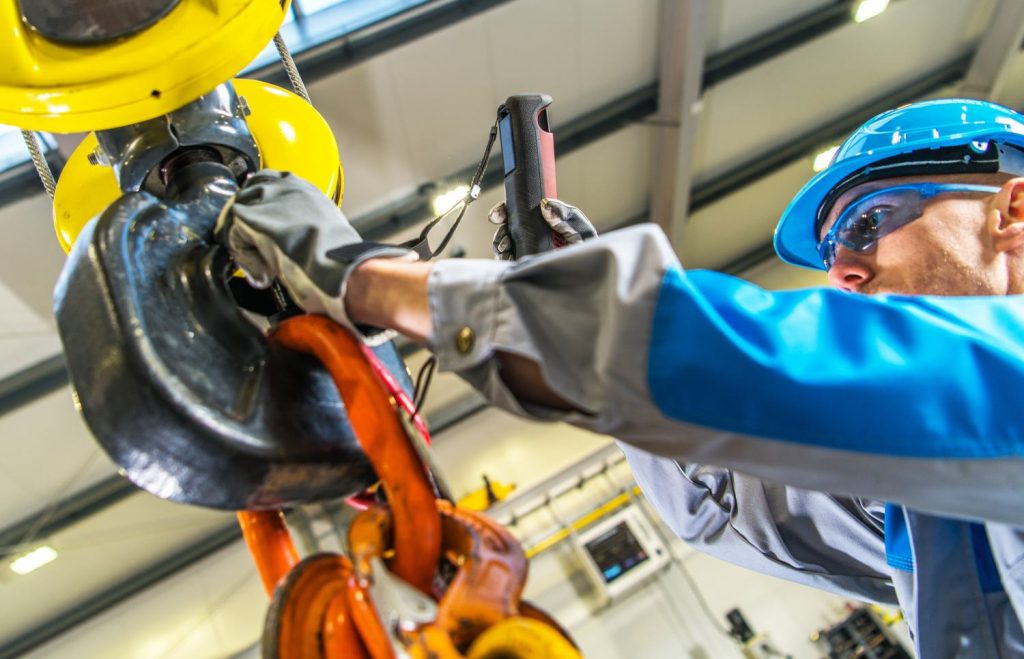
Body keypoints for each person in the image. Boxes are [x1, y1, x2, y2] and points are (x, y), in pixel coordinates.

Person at [217, 98, 1024, 657]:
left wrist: (368, 278)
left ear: (1012, 210)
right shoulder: (940, 499)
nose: (842, 269)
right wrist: (573, 314)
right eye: (836, 248)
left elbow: (746, 357)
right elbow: (728, 508)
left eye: (867, 223)